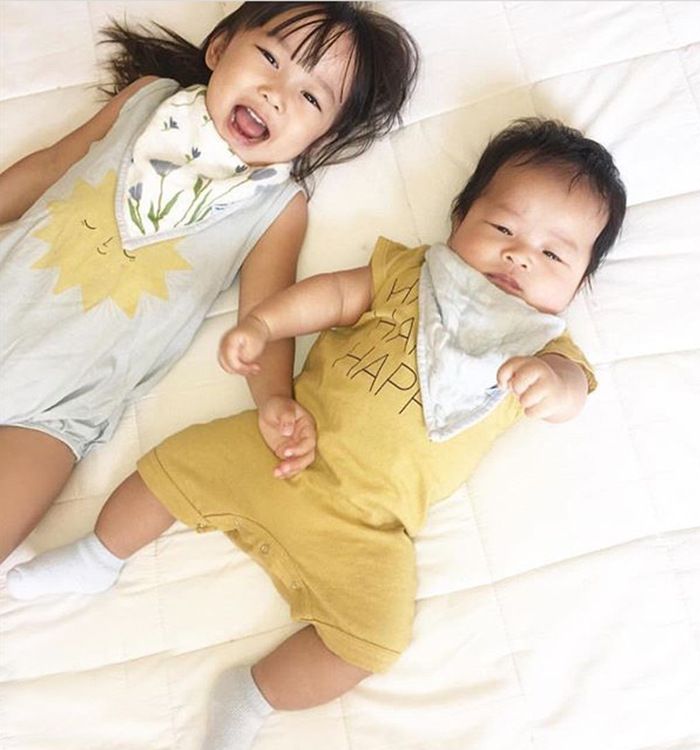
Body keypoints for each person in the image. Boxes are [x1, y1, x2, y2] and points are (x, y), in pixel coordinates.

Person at [6, 118, 627, 750]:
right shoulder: (413, 275)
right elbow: (330, 296)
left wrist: (551, 385)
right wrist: (265, 325)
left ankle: (252, 695)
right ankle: (98, 556)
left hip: (368, 526)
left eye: (554, 255)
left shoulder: (544, 347)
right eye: (502, 228)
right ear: (460, 217)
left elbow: (573, 392)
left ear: (580, 282)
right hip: (283, 445)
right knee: (171, 467)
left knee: (373, 638)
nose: (520, 255)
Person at [0, 2, 419, 561]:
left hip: (56, 413)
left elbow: (265, 316)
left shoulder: (276, 207)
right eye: (269, 57)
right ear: (220, 48)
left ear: (322, 140)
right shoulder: (147, 100)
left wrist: (274, 400)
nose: (275, 92)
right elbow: (52, 166)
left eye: (311, 97)